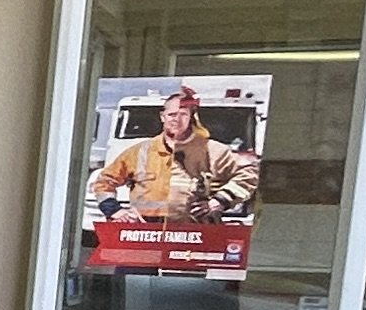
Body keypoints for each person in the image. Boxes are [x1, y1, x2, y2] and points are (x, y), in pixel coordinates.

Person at [87, 83, 260, 224]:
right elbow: (104, 182)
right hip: (143, 234)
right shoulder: (140, 151)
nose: (176, 119)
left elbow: (250, 174)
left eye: (182, 115)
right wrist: (115, 210)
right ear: (163, 117)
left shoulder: (212, 150)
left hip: (192, 235)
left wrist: (220, 201)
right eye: (171, 114)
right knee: (133, 269)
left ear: (191, 117)